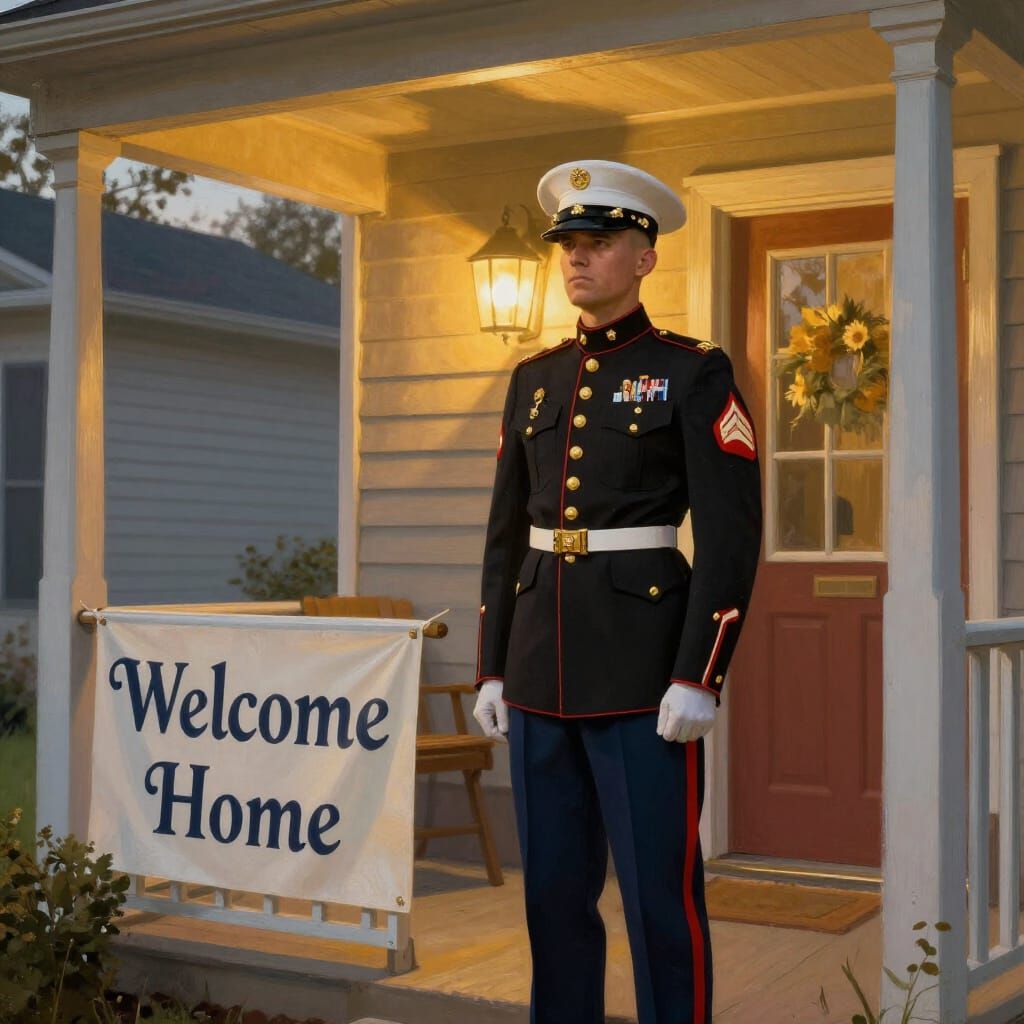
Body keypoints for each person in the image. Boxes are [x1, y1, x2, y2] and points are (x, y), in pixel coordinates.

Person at [472, 159, 763, 1024]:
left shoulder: (692, 371)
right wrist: (492, 667)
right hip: (536, 674)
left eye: (599, 243)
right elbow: (502, 533)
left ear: (645, 257)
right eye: (569, 244)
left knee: (656, 906)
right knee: (553, 904)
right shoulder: (533, 378)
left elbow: (730, 535)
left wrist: (699, 673)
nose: (577, 259)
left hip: (644, 677)